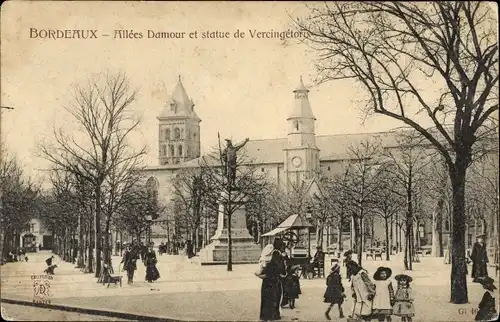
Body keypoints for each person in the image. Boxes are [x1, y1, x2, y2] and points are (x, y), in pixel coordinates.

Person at [259, 248, 286, 321]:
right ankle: (274, 315)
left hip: (266, 284)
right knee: (275, 299)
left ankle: (264, 316)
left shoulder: (268, 264)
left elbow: (262, 273)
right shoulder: (279, 265)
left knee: (266, 300)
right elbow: (284, 274)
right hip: (275, 284)